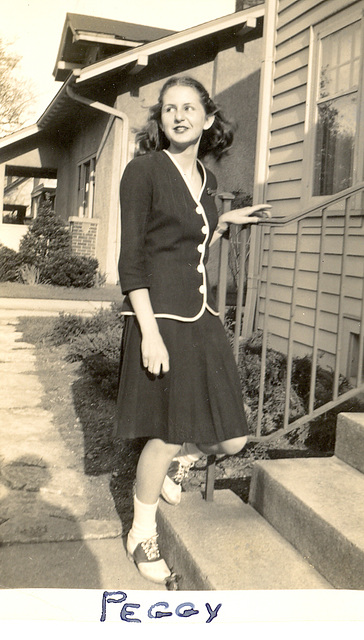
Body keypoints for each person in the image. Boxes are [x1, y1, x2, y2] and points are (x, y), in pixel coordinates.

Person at [115, 75, 271, 585]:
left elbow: (191, 240)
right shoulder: (142, 172)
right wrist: (150, 333)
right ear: (160, 121)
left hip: (200, 318)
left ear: (207, 119)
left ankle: (181, 461)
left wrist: (226, 223)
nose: (179, 116)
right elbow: (132, 262)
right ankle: (142, 532)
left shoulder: (205, 179)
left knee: (232, 439)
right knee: (163, 433)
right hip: (158, 320)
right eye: (168, 110)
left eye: (189, 108)